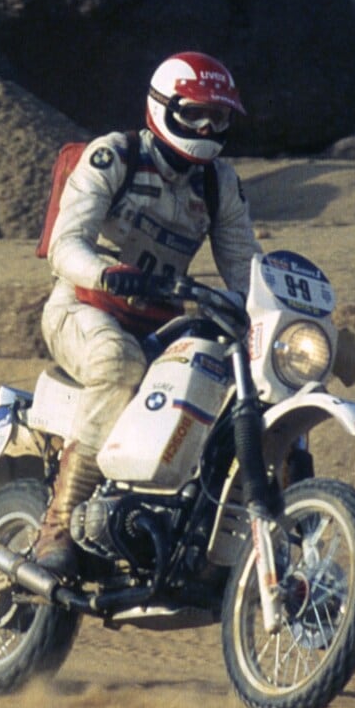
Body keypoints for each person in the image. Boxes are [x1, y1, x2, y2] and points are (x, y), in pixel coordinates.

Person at [32, 51, 262, 578]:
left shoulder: (218, 184)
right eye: (195, 114)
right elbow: (66, 244)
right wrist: (106, 274)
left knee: (223, 379)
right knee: (118, 362)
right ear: (163, 107)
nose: (207, 128)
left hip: (160, 326)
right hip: (83, 309)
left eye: (219, 118)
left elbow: (246, 269)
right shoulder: (113, 156)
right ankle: (60, 522)